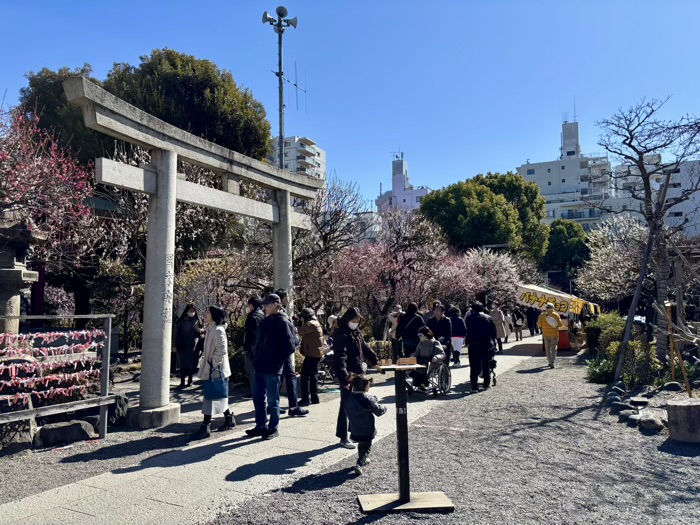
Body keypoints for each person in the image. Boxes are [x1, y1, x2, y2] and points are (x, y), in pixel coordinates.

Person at [247, 294, 298, 440]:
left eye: (267, 305)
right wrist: (255, 357)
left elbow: (290, 345)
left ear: (276, 305)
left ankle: (273, 428)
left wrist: (278, 362)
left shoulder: (283, 321)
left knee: (272, 400)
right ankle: (260, 425)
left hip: (273, 367)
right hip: (260, 365)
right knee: (258, 398)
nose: (264, 308)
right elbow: (257, 342)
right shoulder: (265, 321)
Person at [333, 307, 379, 449]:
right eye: (353, 321)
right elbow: (340, 358)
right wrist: (344, 378)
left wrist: (375, 360)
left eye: (358, 321)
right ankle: (343, 436)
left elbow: (365, 348)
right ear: (347, 320)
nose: (356, 323)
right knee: (346, 405)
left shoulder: (356, 333)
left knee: (357, 404)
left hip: (358, 374)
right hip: (348, 375)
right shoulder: (342, 334)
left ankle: (354, 434)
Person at [190, 306, 234, 440]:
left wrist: (212, 364)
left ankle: (205, 426)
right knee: (217, 395)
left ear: (214, 315)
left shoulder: (218, 330)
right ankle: (228, 418)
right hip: (212, 368)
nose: (205, 314)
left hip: (216, 370)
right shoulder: (210, 329)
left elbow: (221, 351)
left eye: (208, 312)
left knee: (210, 396)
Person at [274, 289, 308, 417]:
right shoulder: (280, 312)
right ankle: (293, 406)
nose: (289, 299)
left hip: (280, 350)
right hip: (284, 350)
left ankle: (274, 405)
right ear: (282, 299)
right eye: (287, 297)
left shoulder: (279, 312)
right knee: (290, 376)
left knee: (280, 377)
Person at [345, 373, 387, 476]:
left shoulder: (350, 397)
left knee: (361, 444)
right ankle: (359, 463)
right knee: (367, 446)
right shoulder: (368, 399)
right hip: (366, 428)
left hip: (355, 427)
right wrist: (384, 407)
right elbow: (378, 411)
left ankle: (362, 459)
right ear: (365, 386)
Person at [465, 301, 497, 392]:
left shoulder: (469, 318)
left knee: (474, 365)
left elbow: (467, 330)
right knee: (486, 364)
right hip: (485, 343)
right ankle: (486, 384)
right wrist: (493, 342)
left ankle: (474, 386)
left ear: (472, 309)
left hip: (473, 343)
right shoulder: (488, 318)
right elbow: (493, 332)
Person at [173, 304, 203, 389]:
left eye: (193, 311)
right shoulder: (181, 321)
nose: (192, 313)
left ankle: (190, 380)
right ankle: (182, 382)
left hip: (195, 346)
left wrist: (199, 330)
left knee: (192, 365)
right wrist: (174, 345)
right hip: (182, 345)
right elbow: (176, 334)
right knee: (183, 365)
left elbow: (204, 330)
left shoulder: (198, 320)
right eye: (190, 311)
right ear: (186, 311)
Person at [298, 308, 324, 406]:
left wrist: (298, 323)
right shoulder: (316, 322)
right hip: (316, 353)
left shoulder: (310, 324)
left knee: (304, 376)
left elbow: (300, 332)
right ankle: (314, 398)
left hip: (311, 354)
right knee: (313, 376)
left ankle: (305, 399)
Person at [408, 327, 445, 391]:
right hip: (421, 361)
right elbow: (416, 353)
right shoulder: (420, 343)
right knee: (413, 370)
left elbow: (442, 354)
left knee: (424, 370)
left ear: (426, 335)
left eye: (421, 335)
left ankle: (423, 384)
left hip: (432, 362)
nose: (419, 337)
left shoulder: (435, 343)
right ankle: (416, 383)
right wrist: (412, 356)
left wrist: (436, 357)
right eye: (418, 335)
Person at [243, 296, 264, 399]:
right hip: (261, 348)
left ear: (251, 305)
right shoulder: (262, 315)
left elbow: (251, 335)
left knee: (251, 372)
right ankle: (257, 392)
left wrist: (248, 349)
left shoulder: (253, 317)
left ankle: (255, 392)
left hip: (253, 349)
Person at [538, 303, 563, 368]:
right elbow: (560, 325)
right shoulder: (556, 315)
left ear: (546, 308)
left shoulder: (542, 315)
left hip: (545, 334)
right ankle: (552, 362)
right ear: (553, 308)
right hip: (554, 334)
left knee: (547, 348)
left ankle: (549, 362)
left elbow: (539, 325)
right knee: (554, 348)